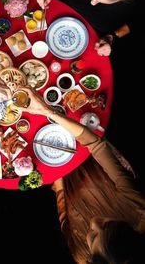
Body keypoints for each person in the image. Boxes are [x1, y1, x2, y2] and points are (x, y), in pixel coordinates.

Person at [17, 86, 145, 263]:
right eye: (107, 224)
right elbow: (97, 146)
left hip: (60, 174)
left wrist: (58, 180)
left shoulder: (81, 256)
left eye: (92, 237)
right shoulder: (139, 212)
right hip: (86, 153)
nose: (93, 223)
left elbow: (65, 221)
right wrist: (48, 111)